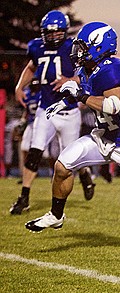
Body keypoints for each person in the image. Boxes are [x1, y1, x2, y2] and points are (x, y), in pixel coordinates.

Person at [24, 21, 120, 232]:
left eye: (83, 46)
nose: (78, 51)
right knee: (62, 166)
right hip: (102, 137)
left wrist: (80, 95)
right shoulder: (87, 69)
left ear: (99, 46)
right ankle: (56, 215)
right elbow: (84, 93)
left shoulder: (112, 68)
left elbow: (111, 106)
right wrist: (64, 102)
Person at [10, 10, 95, 215]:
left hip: (69, 111)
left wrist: (70, 80)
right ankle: (24, 197)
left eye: (58, 32)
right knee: (35, 151)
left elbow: (88, 74)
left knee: (69, 160)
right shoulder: (36, 47)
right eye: (49, 32)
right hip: (45, 109)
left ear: (64, 32)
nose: (53, 36)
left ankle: (84, 172)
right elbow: (31, 67)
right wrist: (20, 87)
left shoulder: (72, 48)